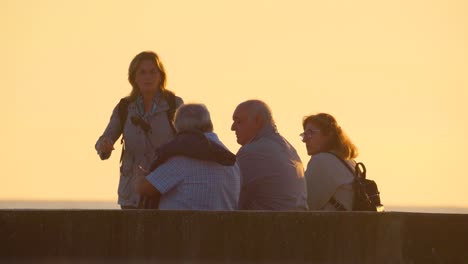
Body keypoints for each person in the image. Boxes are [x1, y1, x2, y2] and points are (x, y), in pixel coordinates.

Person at [95, 51, 183, 209]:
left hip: (164, 192)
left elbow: (188, 143)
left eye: (152, 72)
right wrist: (104, 146)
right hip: (131, 195)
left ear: (161, 76)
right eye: (142, 72)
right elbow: (103, 139)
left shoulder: (174, 105)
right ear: (133, 77)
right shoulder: (124, 108)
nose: (147, 77)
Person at [136, 104, 240, 210]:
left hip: (185, 226)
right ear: (210, 124)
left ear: (178, 128)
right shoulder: (231, 161)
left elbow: (146, 188)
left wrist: (139, 175)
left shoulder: (182, 160)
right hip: (223, 226)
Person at [231, 100, 307, 210]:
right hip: (296, 223)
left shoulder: (252, 152)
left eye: (238, 121)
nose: (232, 128)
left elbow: (230, 197)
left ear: (258, 121)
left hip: (270, 224)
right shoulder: (290, 150)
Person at [301, 113, 358, 211]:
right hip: (352, 224)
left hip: (333, 225)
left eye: (310, 133)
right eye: (304, 134)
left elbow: (305, 204)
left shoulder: (322, 161)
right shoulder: (350, 162)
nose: (305, 140)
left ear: (328, 135)